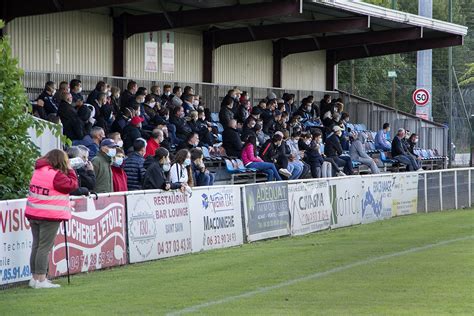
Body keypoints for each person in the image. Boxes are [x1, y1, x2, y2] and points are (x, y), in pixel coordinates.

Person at [25, 149, 78, 288]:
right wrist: (70, 169)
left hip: (34, 212)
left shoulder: (38, 171)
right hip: (49, 215)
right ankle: (41, 279)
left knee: (36, 245)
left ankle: (35, 278)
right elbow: (72, 185)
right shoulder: (56, 175)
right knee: (44, 247)